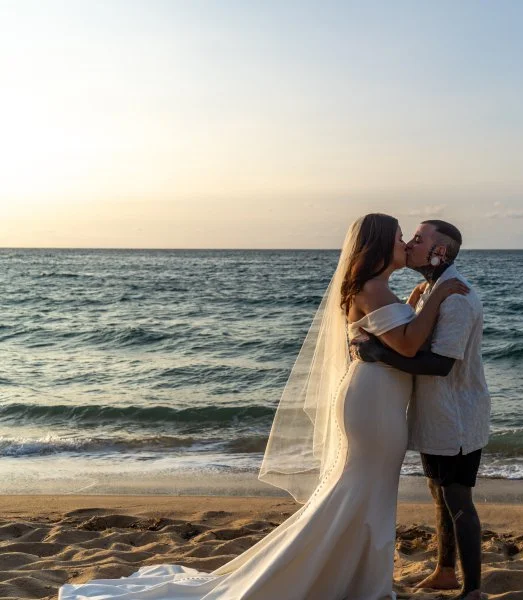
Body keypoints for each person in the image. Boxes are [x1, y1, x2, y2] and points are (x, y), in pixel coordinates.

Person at [58, 213, 468, 600]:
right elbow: (410, 344)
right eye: (398, 236)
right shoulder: (372, 288)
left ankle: (359, 575)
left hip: (379, 400)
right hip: (373, 405)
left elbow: (398, 337)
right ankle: (350, 578)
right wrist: (440, 295)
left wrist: (420, 298)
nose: (404, 242)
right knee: (360, 490)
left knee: (369, 491)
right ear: (379, 244)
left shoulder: (376, 287)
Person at [355, 220, 490, 600]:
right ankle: (446, 571)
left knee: (458, 498)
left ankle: (474, 590)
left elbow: (439, 364)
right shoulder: (432, 290)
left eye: (419, 239)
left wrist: (379, 352)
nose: (411, 244)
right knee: (438, 492)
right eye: (410, 238)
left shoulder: (457, 298)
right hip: (436, 414)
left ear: (439, 252)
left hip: (457, 416)